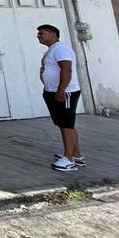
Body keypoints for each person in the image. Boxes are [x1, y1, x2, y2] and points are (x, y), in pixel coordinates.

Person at [37, 24, 84, 172]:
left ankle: (68, 159)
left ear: (53, 34)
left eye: (42, 33)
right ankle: (76, 155)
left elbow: (67, 69)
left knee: (67, 124)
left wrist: (61, 90)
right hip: (53, 92)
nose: (39, 36)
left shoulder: (61, 49)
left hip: (65, 93)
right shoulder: (53, 50)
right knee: (65, 123)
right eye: (39, 34)